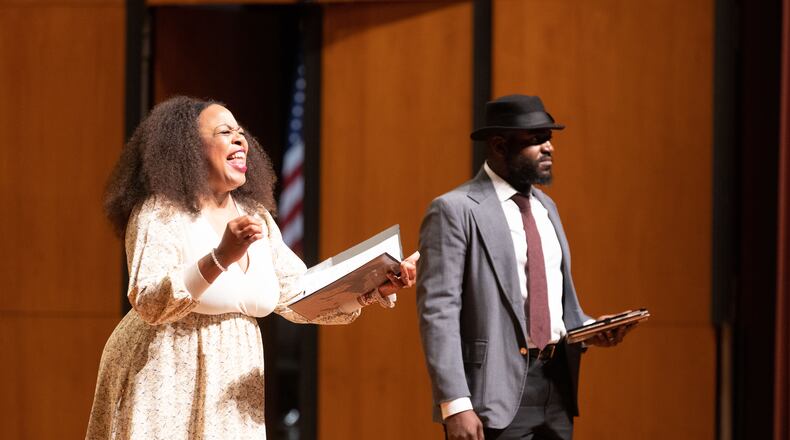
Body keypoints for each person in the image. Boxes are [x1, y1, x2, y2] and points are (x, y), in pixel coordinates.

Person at [86, 96, 418, 439]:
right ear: (188, 148)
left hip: (233, 380)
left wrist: (369, 286)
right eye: (224, 132)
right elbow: (149, 300)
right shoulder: (161, 211)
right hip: (165, 372)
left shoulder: (255, 216)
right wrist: (220, 257)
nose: (240, 139)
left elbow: (296, 294)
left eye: (241, 133)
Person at [416, 94, 631, 440]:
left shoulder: (546, 208)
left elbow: (554, 303)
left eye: (549, 138)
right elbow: (438, 312)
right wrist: (455, 404)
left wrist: (589, 329)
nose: (549, 148)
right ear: (500, 146)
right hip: (492, 393)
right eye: (535, 140)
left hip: (557, 386)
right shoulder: (454, 210)